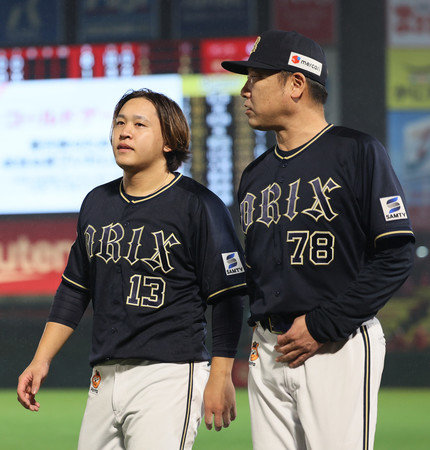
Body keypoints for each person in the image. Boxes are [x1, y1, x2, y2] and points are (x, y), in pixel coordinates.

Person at [17, 88, 247, 449]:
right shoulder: (97, 202)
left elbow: (228, 297)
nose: (124, 131)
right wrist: (40, 360)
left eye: (139, 124)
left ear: (170, 141)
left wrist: (221, 374)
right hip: (104, 376)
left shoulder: (198, 205)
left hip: (169, 374)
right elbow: (75, 290)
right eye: (119, 123)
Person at [221, 30, 415, 450]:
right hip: (268, 348)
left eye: (256, 76)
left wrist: (325, 324)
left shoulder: (357, 152)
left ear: (296, 84)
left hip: (335, 345)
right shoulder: (253, 177)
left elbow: (396, 256)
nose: (245, 89)